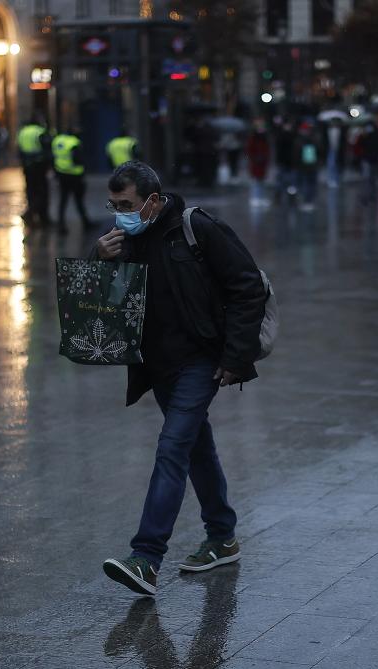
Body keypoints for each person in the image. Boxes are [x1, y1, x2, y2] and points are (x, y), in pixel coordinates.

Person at [93, 161, 268, 597]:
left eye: (127, 205)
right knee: (195, 447)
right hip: (159, 364)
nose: (120, 214)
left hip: (201, 361)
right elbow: (109, 306)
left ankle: (146, 558)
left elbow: (248, 288)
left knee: (172, 448)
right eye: (113, 205)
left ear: (152, 200)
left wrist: (235, 357)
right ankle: (222, 536)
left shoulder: (198, 229)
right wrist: (100, 261)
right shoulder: (124, 241)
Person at [51, 125, 92, 233]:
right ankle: (86, 222)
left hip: (61, 174)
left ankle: (61, 225)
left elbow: (53, 156)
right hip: (74, 175)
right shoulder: (74, 142)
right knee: (78, 200)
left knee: (63, 200)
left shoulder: (58, 140)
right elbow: (77, 159)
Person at [17, 116, 52, 226]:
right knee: (42, 191)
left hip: (27, 166)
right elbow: (47, 149)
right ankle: (38, 215)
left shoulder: (22, 132)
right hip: (39, 166)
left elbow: (19, 150)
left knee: (31, 191)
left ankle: (32, 215)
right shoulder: (40, 132)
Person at [294, 122, 320, 212]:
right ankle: (307, 201)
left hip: (309, 166)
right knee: (306, 185)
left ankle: (308, 201)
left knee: (309, 185)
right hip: (305, 166)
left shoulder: (310, 139)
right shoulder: (304, 140)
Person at [245, 120, 271, 207]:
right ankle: (255, 198)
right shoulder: (252, 139)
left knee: (262, 181)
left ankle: (261, 198)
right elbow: (248, 152)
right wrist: (253, 159)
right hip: (255, 163)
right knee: (255, 182)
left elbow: (267, 151)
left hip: (262, 164)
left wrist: (265, 158)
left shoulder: (265, 138)